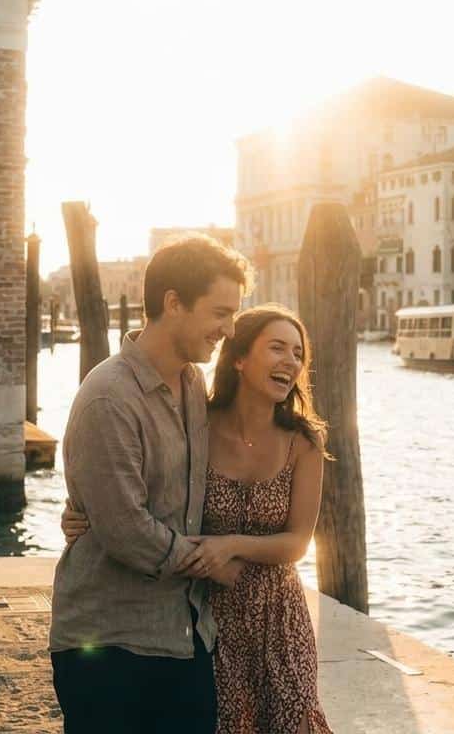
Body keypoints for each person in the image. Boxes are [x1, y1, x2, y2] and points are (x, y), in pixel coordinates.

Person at [63, 304, 334, 734]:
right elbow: (149, 489)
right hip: (206, 615)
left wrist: (231, 545)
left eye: (298, 354)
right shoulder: (197, 421)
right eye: (277, 348)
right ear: (240, 358)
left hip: (278, 617)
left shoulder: (304, 441)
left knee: (296, 724)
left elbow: (298, 542)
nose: (291, 362)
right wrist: (85, 511)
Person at [48, 234, 251, 734]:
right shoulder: (109, 398)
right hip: (111, 645)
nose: (228, 329)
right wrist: (212, 564)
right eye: (220, 312)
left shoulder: (191, 385)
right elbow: (125, 530)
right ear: (174, 303)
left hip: (185, 637)